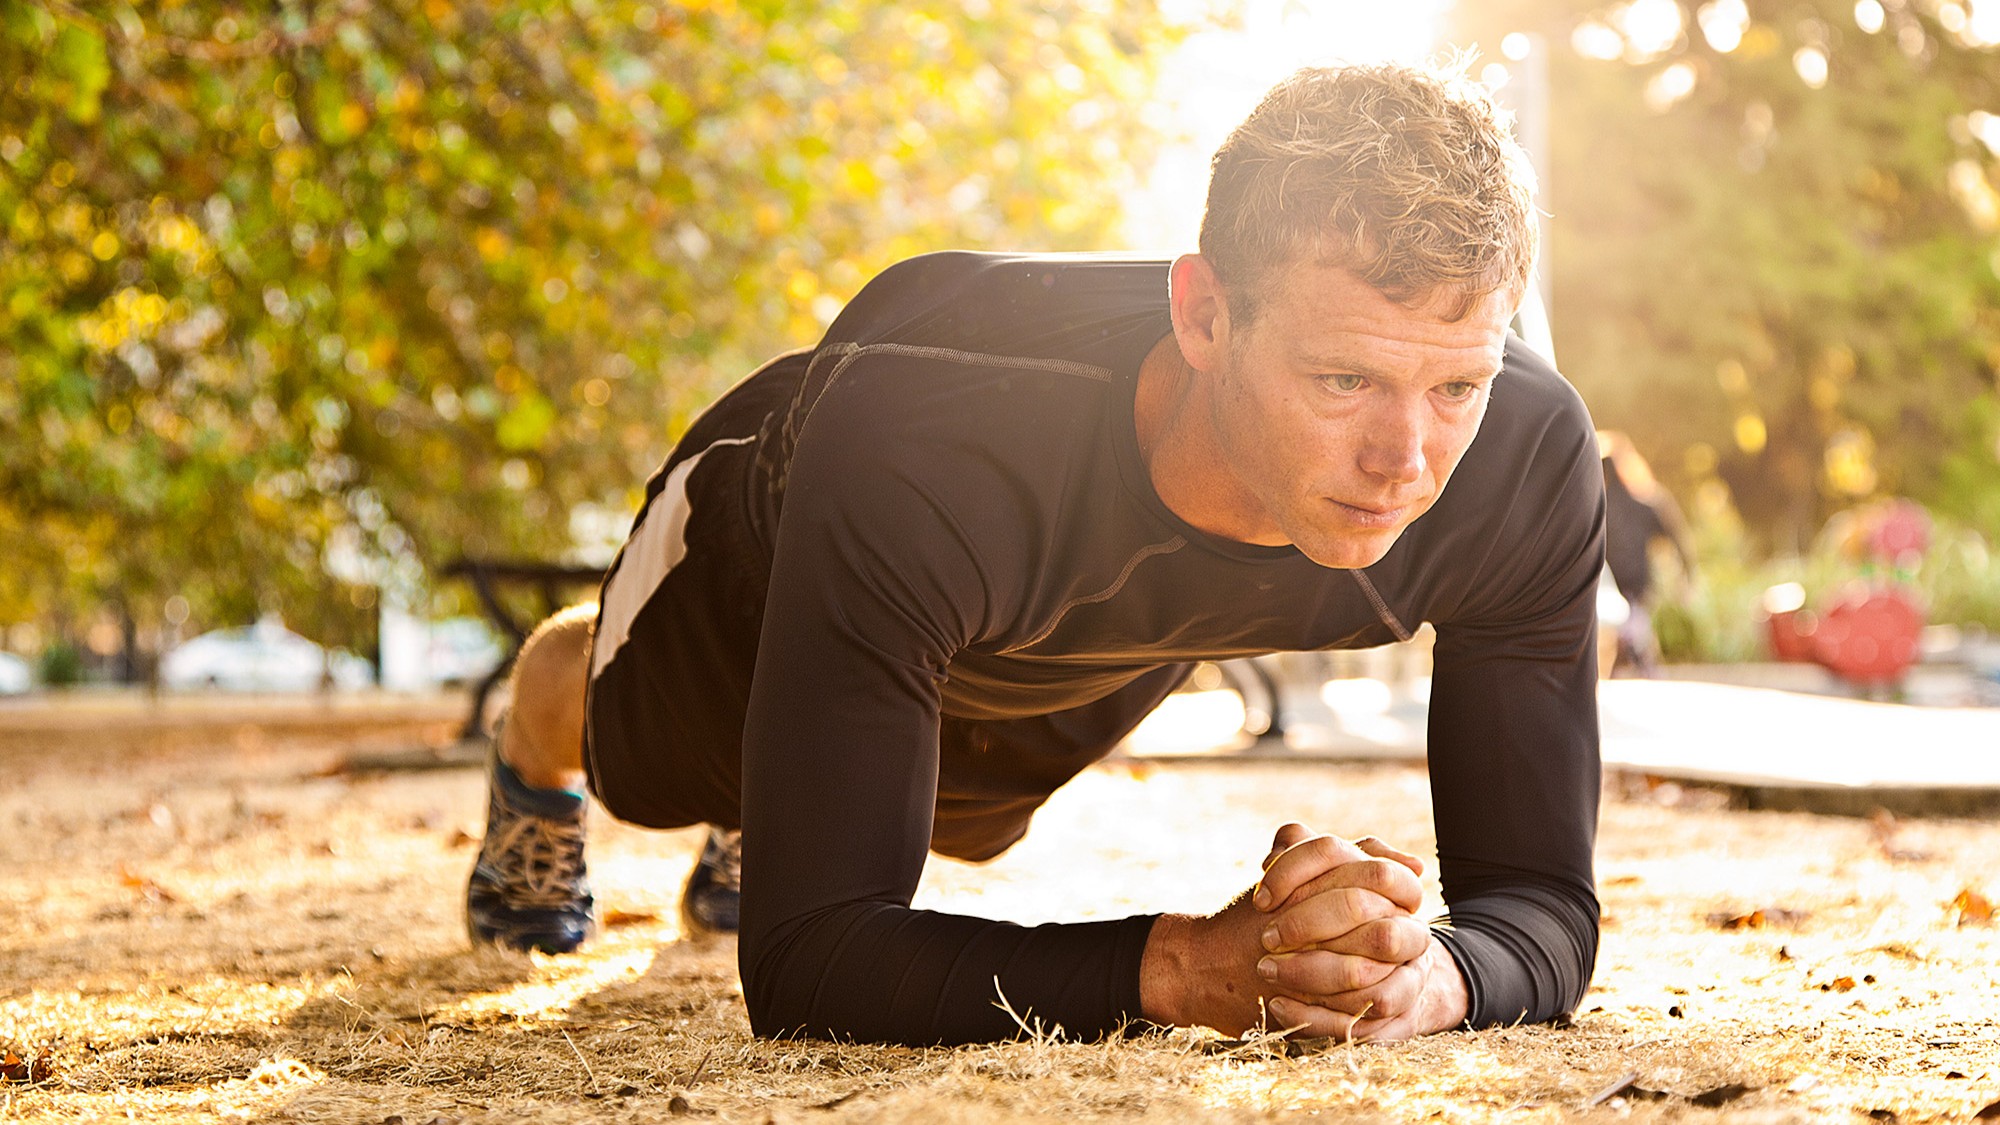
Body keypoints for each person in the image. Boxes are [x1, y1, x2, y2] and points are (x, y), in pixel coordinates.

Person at [464, 61, 1605, 1048]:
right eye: (1342, 381)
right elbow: (808, 967)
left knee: (961, 822)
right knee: (651, 766)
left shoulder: (1520, 459)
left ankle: (791, 792)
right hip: (780, 538)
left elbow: (1541, 904)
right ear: (1203, 318)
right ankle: (561, 721)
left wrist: (1433, 978)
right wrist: (1192, 969)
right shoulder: (927, 446)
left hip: (1065, 629)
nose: (1404, 460)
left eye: (1455, 384)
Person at [1598, 430, 1693, 676]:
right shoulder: (1643, 503)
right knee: (1629, 640)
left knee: (1629, 638)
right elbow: (1676, 537)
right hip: (1628, 586)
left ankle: (1636, 667)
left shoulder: (1597, 506)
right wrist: (1687, 572)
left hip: (1617, 587)